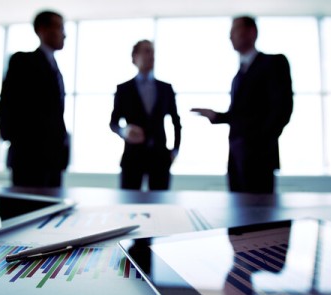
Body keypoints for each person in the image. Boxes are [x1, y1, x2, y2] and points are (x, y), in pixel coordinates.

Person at [192, 16, 293, 194]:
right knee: (238, 212)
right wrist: (216, 116)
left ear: (251, 32)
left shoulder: (274, 62)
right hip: (236, 156)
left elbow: (282, 108)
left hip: (260, 156)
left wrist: (261, 144)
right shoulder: (237, 76)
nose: (230, 36)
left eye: (235, 30)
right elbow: (239, 114)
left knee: (261, 215)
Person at [0, 10, 69, 188]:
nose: (64, 34)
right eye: (59, 27)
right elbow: (7, 105)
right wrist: (16, 142)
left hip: (54, 161)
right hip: (28, 159)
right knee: (26, 209)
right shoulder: (23, 61)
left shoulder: (55, 68)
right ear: (42, 30)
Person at [110, 40, 182, 190]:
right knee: (128, 204)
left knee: (161, 205)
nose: (151, 56)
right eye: (146, 51)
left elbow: (176, 122)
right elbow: (113, 123)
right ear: (135, 57)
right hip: (132, 157)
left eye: (153, 52)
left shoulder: (165, 88)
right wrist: (125, 131)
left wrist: (175, 150)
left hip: (160, 157)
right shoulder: (123, 89)